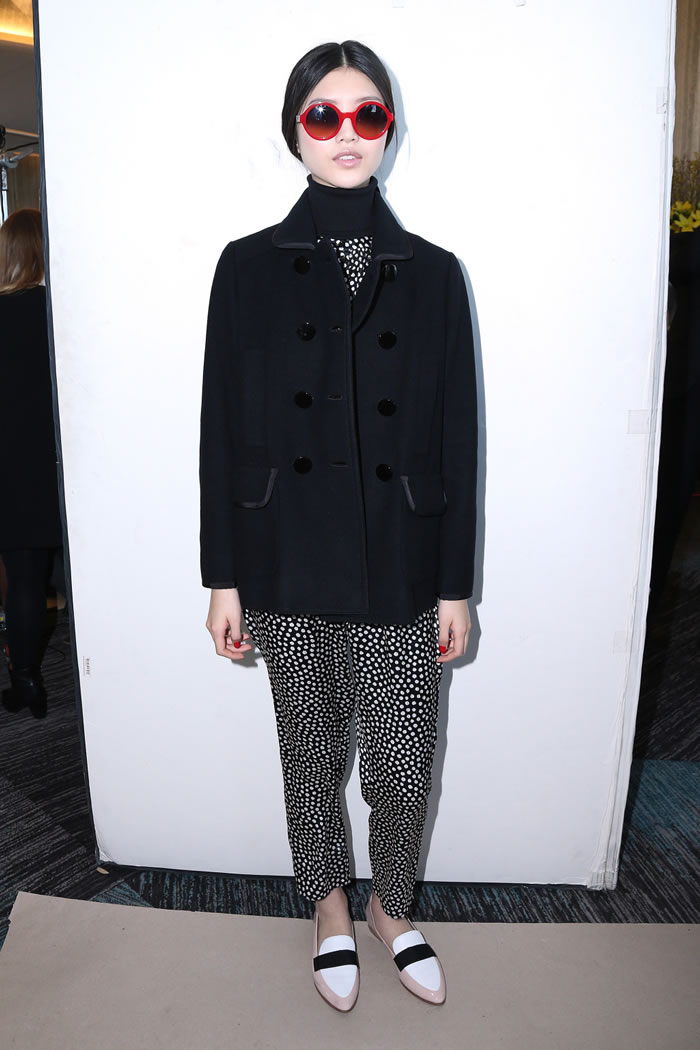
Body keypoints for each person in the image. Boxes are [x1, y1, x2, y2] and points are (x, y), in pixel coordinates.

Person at [199, 40, 478, 1011]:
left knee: (403, 762)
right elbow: (220, 430)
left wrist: (455, 587)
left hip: (401, 558)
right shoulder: (245, 267)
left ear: (389, 128)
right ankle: (326, 905)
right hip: (283, 555)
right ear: (295, 131)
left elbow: (458, 440)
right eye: (325, 114)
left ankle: (391, 907)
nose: (347, 132)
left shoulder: (435, 273)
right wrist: (223, 577)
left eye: (369, 113)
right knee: (310, 753)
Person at [0, 208, 62, 719]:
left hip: (10, 470)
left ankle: (26, 680)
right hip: (59, 468)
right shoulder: (62, 314)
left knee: (22, 579)